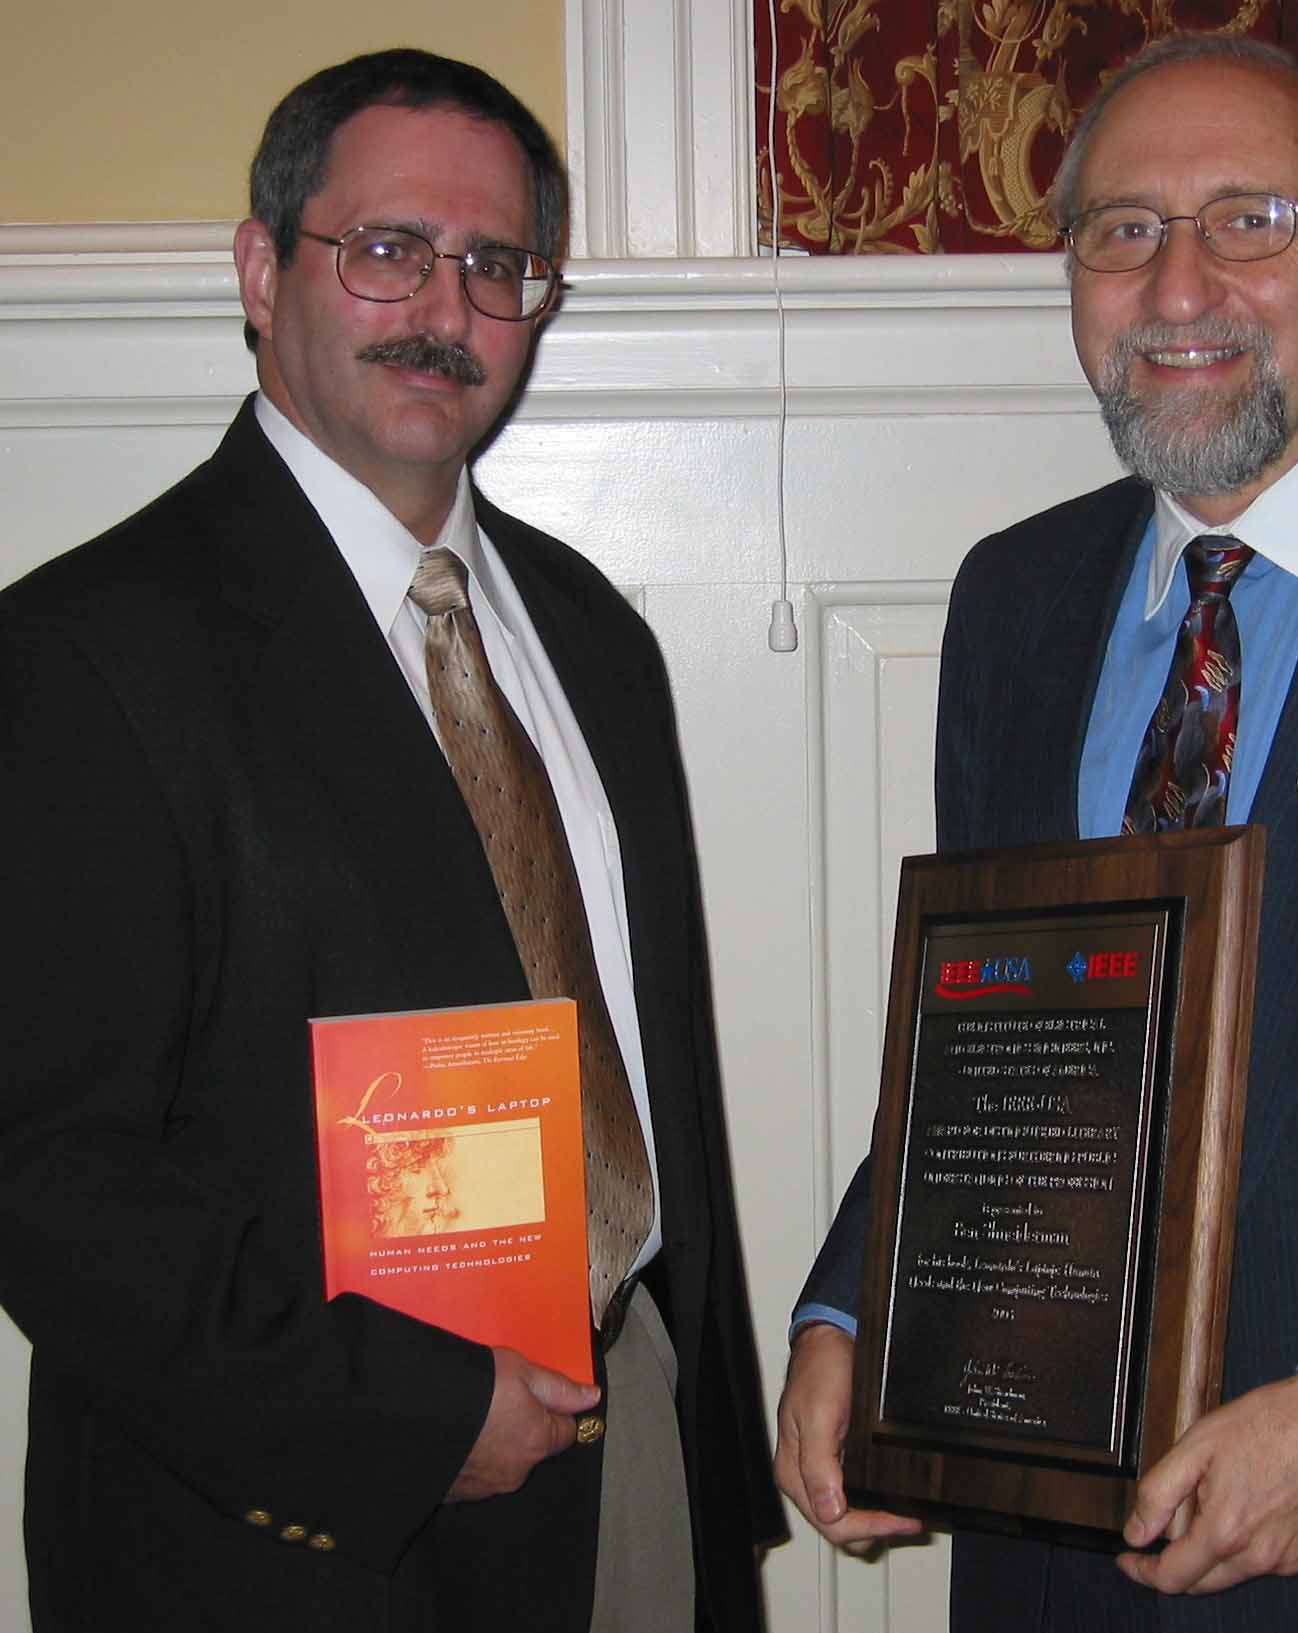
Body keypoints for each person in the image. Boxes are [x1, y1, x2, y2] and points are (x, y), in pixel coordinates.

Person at [776, 30, 1298, 1633]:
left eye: (1248, 220)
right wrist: (854, 1310)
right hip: (1056, 1564)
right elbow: (1002, 1038)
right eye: (1120, 230)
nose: (1177, 289)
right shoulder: (1012, 600)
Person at [0, 48, 780, 1633]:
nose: (449, 308)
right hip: (289, 1546)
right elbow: (47, 1174)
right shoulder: (86, 651)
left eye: (498, 265)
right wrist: (410, 1418)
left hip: (630, 1454)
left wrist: (704, 1436)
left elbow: (655, 1073)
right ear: (257, 267)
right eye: (386, 250)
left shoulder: (586, 633)